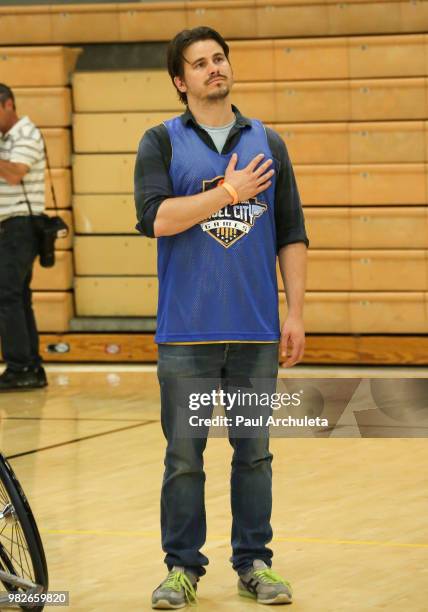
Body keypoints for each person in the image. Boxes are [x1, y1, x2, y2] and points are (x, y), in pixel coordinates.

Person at [134, 27, 309, 609]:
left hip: (256, 333)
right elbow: (157, 218)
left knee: (254, 453)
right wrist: (229, 191)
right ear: (180, 81)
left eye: (220, 58)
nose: (215, 68)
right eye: (200, 63)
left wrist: (296, 312)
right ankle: (181, 569)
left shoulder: (269, 141)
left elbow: (291, 232)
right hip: (186, 334)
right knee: (184, 457)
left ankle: (254, 563)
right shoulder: (159, 141)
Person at [0, 84, 47, 390]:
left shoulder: (26, 134)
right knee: (18, 297)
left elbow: (15, 172)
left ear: (8, 105)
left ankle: (20, 367)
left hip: (20, 225)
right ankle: (30, 365)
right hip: (12, 226)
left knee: (8, 296)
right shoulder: (6, 138)